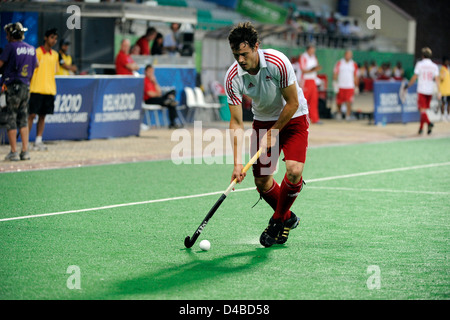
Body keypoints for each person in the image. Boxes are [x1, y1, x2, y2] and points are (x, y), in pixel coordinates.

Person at [224, 22, 309, 247]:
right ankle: (288, 217)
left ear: (256, 47)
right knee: (262, 182)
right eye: (235, 55)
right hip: (262, 120)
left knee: (294, 170)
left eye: (244, 54)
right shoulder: (233, 77)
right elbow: (235, 121)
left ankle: (277, 220)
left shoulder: (277, 63)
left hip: (293, 116)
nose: (240, 60)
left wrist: (274, 132)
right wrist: (236, 163)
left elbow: (292, 102)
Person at [0, 22, 37, 161]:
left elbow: (1, 63)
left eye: (8, 34)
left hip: (13, 86)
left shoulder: (11, 47)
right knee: (23, 119)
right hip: (26, 86)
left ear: (11, 34)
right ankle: (25, 151)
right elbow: (37, 64)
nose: (6, 36)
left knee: (11, 118)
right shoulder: (31, 48)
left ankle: (14, 152)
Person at [28, 27, 59, 151]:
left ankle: (38, 140)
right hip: (36, 89)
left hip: (49, 90)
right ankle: (25, 142)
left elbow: (55, 71)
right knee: (31, 115)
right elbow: (31, 71)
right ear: (46, 38)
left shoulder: (55, 55)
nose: (54, 41)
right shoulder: (36, 52)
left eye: (55, 39)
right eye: (52, 37)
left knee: (42, 116)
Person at [405, 47, 441, 135]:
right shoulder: (434, 66)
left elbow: (414, 77)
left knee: (422, 111)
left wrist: (408, 85)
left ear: (423, 55)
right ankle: (421, 129)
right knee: (423, 110)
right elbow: (437, 79)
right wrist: (439, 91)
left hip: (422, 90)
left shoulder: (420, 64)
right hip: (430, 90)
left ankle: (429, 123)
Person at [143, 64, 181, 129]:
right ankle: (169, 101)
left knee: (173, 92)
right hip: (149, 100)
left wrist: (155, 82)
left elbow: (159, 92)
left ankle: (173, 123)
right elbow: (150, 94)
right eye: (150, 72)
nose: (151, 73)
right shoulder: (144, 80)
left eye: (152, 72)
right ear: (146, 72)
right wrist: (157, 94)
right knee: (169, 102)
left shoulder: (152, 81)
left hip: (157, 98)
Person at [333, 49, 359, 120]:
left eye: (350, 55)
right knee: (339, 101)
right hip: (341, 85)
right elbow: (335, 73)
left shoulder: (354, 64)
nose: (348, 56)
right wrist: (335, 83)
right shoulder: (339, 63)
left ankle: (348, 115)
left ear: (351, 56)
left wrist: (356, 86)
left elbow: (355, 76)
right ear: (345, 55)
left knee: (349, 102)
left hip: (350, 86)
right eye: (347, 54)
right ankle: (339, 113)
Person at [299, 43, 321, 123]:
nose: (313, 51)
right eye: (312, 49)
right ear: (308, 49)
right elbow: (303, 70)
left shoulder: (314, 57)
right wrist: (313, 69)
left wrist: (315, 69)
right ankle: (300, 118)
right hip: (306, 80)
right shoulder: (303, 57)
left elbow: (316, 67)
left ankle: (314, 118)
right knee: (304, 100)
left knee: (314, 100)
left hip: (313, 80)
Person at [438, 56, 450, 121]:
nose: (447, 62)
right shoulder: (442, 69)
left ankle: (448, 115)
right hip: (443, 90)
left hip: (449, 90)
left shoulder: (448, 69)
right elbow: (441, 78)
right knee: (443, 103)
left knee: (449, 103)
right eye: (446, 61)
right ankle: (442, 116)